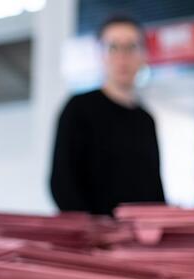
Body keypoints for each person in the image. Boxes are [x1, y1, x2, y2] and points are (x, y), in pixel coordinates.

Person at [49, 15, 165, 216]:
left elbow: (155, 188)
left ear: (144, 55)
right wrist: (93, 232)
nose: (122, 57)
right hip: (92, 239)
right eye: (113, 47)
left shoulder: (146, 120)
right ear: (100, 54)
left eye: (131, 47)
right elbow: (62, 183)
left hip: (140, 240)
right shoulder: (78, 108)